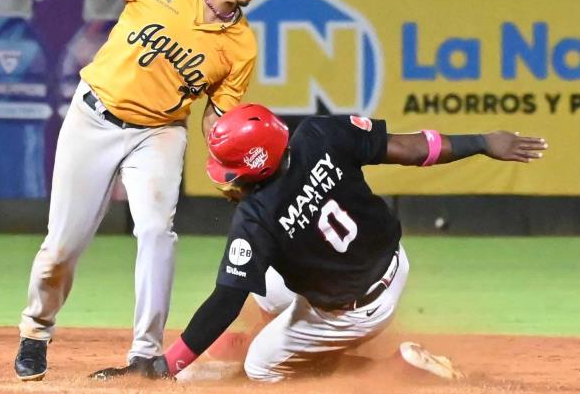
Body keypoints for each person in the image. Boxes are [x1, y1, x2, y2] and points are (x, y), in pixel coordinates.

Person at [0, 0, 284, 381]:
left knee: (157, 233)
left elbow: (219, 115)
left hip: (160, 132)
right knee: (61, 248)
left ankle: (144, 354)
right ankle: (35, 331)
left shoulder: (240, 45)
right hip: (94, 116)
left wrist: (227, 159)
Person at [93, 103, 547, 381]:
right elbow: (412, 150)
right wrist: (483, 141)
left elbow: (223, 301)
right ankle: (275, 335)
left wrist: (164, 365)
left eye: (229, 169)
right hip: (391, 263)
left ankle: (396, 370)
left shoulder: (256, 216)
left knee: (262, 368)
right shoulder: (319, 134)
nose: (225, 178)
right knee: (260, 277)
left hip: (352, 315)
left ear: (250, 167)